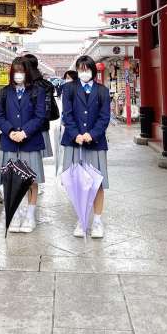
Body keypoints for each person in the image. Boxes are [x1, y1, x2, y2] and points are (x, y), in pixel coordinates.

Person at [61, 55, 111, 239]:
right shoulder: (69, 89)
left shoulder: (102, 91)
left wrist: (92, 134)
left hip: (96, 143)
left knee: (97, 183)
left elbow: (105, 117)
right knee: (77, 183)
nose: (84, 72)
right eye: (81, 69)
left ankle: (97, 220)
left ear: (93, 71)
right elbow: (67, 114)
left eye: (87, 69)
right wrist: (76, 134)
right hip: (74, 141)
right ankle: (81, 219)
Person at [0, 57, 46, 233]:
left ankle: (30, 215)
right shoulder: (4, 92)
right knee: (11, 179)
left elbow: (40, 116)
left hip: (30, 141)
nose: (18, 75)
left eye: (21, 71)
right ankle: (15, 213)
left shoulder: (37, 91)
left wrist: (24, 132)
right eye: (16, 71)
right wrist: (10, 131)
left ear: (27, 72)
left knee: (31, 179)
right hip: (9, 142)